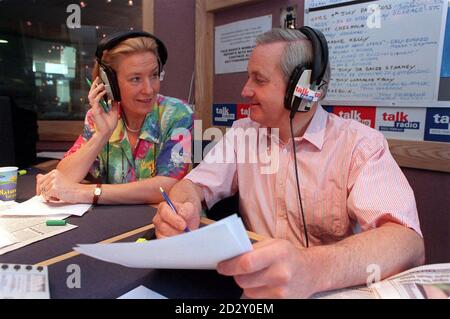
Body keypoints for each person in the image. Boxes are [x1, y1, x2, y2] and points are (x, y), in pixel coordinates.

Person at [152, 28, 425, 298]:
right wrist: (183, 206)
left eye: (258, 80)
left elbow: (407, 243)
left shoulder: (359, 145)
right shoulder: (242, 133)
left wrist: (311, 268)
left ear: (301, 90)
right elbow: (194, 185)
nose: (245, 90)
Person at [36, 31, 193, 205]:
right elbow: (65, 177)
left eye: (154, 75)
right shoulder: (99, 117)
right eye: (135, 79)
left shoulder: (179, 114)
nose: (149, 89)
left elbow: (167, 185)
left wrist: (86, 192)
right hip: (118, 224)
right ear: (110, 84)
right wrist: (101, 135)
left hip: (172, 224)